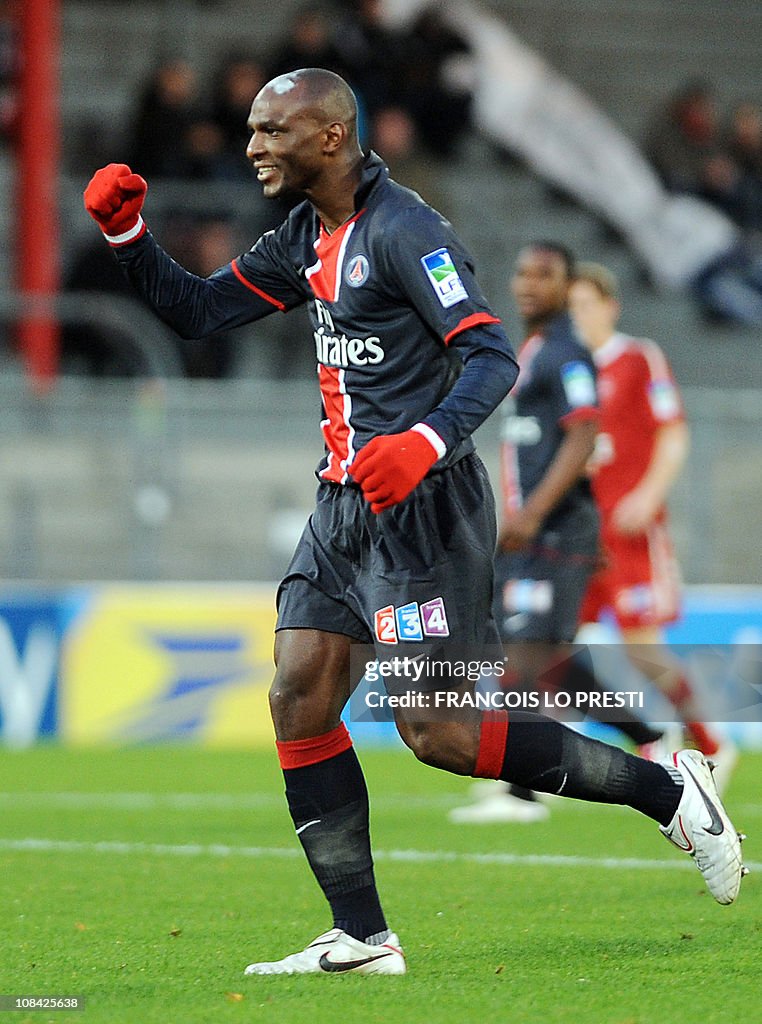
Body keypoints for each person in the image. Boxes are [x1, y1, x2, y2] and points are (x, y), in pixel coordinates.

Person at [83, 68, 745, 977]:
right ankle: (361, 936)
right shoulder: (303, 238)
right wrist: (127, 237)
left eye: (271, 131)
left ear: (328, 138)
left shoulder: (407, 232)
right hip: (343, 507)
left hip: (425, 507)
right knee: (298, 691)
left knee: (441, 734)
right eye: (249, 130)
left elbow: (489, 354)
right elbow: (199, 312)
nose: (252, 148)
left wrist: (425, 442)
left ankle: (664, 789)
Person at [449, 243, 664, 825]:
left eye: (543, 275)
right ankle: (652, 737)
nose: (527, 283)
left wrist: (532, 516)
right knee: (545, 660)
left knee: (526, 660)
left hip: (553, 531)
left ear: (567, 285)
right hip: (539, 531)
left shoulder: (567, 351)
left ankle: (522, 792)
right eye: (521, 272)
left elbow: (584, 433)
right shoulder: (536, 346)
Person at [569, 262, 737, 792]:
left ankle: (710, 743)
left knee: (643, 651)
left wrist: (648, 493)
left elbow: (672, 432)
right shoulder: (564, 365)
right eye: (571, 306)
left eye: (587, 305)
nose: (579, 316)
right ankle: (525, 783)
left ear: (610, 306)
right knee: (551, 650)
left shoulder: (638, 358)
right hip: (576, 536)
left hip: (628, 533)